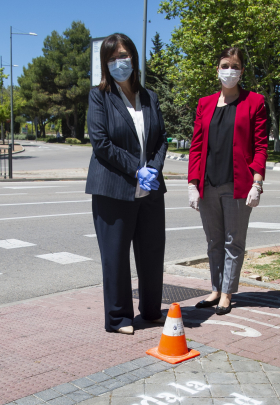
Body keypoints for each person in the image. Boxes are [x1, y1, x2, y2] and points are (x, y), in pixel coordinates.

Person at [86, 33, 168, 334]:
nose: (119, 62)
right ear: (105, 64)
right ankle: (119, 318)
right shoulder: (99, 96)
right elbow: (101, 143)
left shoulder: (149, 97)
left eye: (123, 55)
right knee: (116, 256)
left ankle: (151, 310)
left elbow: (162, 139)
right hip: (113, 188)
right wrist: (137, 169)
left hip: (150, 189)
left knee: (151, 252)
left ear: (133, 57)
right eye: (112, 58)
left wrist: (154, 169)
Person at [187, 47, 268, 315]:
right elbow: (196, 147)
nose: (229, 70)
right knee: (213, 241)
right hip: (208, 184)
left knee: (233, 242)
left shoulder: (255, 102)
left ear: (242, 71)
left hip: (238, 185)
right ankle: (215, 289)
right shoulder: (205, 103)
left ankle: (227, 293)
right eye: (225, 65)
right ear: (217, 69)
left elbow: (260, 146)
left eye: (234, 66)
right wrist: (192, 183)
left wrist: (257, 182)